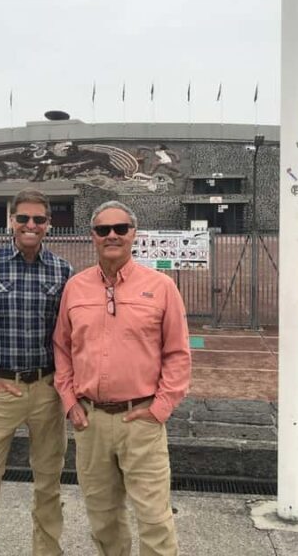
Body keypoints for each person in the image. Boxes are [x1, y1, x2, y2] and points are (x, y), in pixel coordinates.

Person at [53, 200, 191, 556]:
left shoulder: (161, 287)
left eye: (120, 228)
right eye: (103, 229)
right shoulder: (75, 287)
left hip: (141, 420)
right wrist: (69, 402)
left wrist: (160, 408)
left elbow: (177, 353)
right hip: (91, 422)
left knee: (155, 520)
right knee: (103, 520)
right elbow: (62, 348)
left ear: (134, 234)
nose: (111, 235)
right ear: (92, 236)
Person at [0, 188, 74, 556]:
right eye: (23, 218)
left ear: (49, 224)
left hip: (46, 390)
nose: (30, 225)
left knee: (49, 484)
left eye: (39, 219)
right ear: (11, 221)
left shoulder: (62, 271)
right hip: (1, 389)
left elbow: (70, 335)